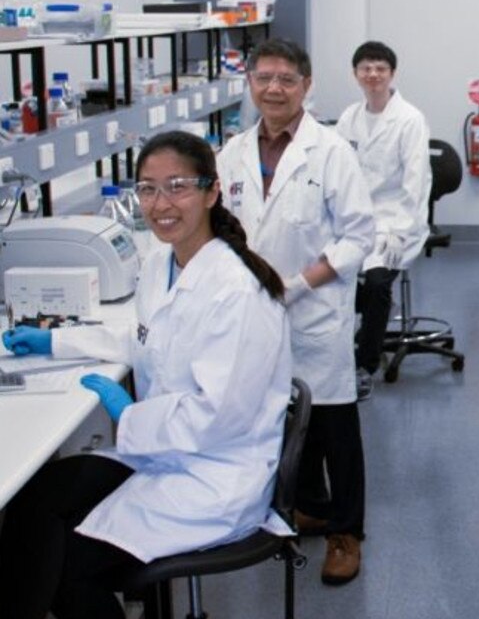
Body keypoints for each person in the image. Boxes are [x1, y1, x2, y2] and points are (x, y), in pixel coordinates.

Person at [0, 130, 293, 619]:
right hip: (163, 449)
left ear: (211, 191)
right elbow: (143, 338)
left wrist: (131, 415)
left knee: (69, 565)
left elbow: (218, 414)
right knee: (35, 502)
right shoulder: (163, 264)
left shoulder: (236, 292)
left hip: (213, 472)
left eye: (177, 186)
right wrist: (56, 340)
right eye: (148, 189)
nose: (161, 204)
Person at [217, 39, 375, 586]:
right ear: (251, 84)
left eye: (287, 79)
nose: (274, 88)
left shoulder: (331, 153)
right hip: (256, 310)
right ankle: (308, 506)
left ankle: (345, 531)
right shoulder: (232, 153)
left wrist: (299, 285)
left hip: (315, 310)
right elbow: (225, 229)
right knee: (281, 419)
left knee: (333, 423)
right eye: (264, 78)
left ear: (307, 86)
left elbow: (359, 236)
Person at [335, 41, 431, 398]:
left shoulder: (410, 119)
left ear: (392, 74)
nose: (373, 74)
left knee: (376, 283)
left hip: (396, 221)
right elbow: (339, 172)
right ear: (356, 74)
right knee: (331, 276)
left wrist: (400, 232)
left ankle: (365, 364)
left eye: (380, 68)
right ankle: (340, 348)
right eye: (365, 68)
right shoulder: (349, 118)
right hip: (354, 218)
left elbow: (416, 183)